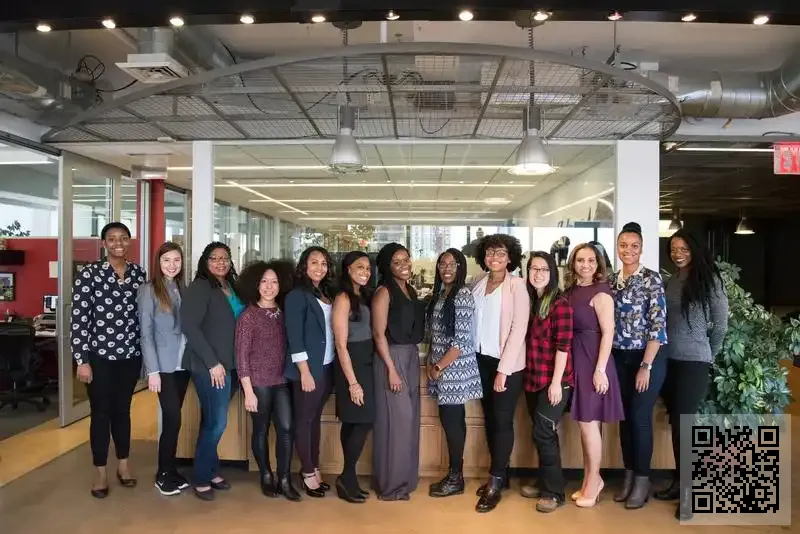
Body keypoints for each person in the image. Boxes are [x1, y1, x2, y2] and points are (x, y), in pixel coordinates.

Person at [654, 229, 728, 521]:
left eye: (684, 249)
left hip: (694, 362)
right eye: (674, 249)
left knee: (684, 426)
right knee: (677, 424)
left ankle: (689, 494)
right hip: (668, 360)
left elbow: (720, 325)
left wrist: (708, 354)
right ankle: (678, 482)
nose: (678, 254)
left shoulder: (710, 279)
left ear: (695, 249)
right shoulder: (673, 279)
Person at [71, 222, 146, 499]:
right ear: (103, 243)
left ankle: (123, 464)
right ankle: (100, 471)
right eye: (112, 239)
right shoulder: (89, 274)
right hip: (99, 357)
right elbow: (79, 319)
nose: (118, 243)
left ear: (129, 242)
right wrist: (82, 360)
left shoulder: (139, 273)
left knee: (123, 411)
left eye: (123, 238)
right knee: (101, 413)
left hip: (130, 356)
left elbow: (143, 316)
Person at [608, 222, 668, 509]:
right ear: (617, 247)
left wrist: (646, 365)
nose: (628, 250)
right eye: (623, 245)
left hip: (648, 358)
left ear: (641, 248)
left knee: (640, 417)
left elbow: (658, 325)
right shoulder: (612, 281)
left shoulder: (651, 279)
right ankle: (629, 476)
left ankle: (643, 482)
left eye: (634, 245)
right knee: (625, 418)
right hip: (619, 357)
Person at [471, 234, 530, 513]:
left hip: (507, 365)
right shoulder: (478, 283)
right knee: (490, 419)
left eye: (501, 253)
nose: (494, 257)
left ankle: (495, 483)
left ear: (510, 258)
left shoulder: (517, 285)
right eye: (490, 252)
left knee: (503, 421)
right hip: (481, 360)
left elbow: (519, 329)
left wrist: (503, 370)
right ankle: (500, 474)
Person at [181, 242, 245, 501]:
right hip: (211, 366)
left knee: (212, 421)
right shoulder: (200, 287)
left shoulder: (231, 286)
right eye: (214, 258)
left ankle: (210, 468)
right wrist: (212, 363)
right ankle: (201, 477)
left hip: (233, 364)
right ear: (205, 262)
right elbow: (190, 327)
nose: (221, 262)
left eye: (225, 258)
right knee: (217, 422)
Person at [235, 261, 301, 501]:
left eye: (274, 282)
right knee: (261, 429)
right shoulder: (248, 316)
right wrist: (248, 392)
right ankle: (265, 474)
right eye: (264, 281)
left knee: (286, 428)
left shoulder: (284, 312)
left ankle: (284, 479)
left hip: (282, 380)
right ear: (255, 284)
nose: (269, 286)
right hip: (258, 383)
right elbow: (241, 356)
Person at [565, 243, 624, 508]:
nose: (585, 265)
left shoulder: (601, 292)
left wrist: (600, 370)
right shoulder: (571, 291)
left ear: (598, 263)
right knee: (584, 424)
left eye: (591, 260)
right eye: (580, 260)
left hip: (593, 361)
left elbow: (608, 332)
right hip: (576, 359)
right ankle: (589, 479)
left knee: (589, 424)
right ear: (573, 263)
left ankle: (594, 481)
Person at [519, 251, 574, 513]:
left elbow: (563, 347)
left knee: (543, 432)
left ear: (552, 273)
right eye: (534, 268)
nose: (538, 273)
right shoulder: (530, 301)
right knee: (542, 433)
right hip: (533, 377)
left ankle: (554, 493)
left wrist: (555, 383)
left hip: (555, 381)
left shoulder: (559, 304)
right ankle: (545, 482)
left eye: (543, 269)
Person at [371, 242, 425, 501]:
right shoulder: (384, 292)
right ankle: (391, 486)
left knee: (410, 422)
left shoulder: (410, 290)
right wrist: (391, 370)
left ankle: (405, 481)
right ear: (387, 266)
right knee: (396, 423)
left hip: (410, 356)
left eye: (406, 259)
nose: (404, 265)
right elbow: (378, 334)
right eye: (397, 261)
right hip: (391, 358)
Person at [426, 248, 481, 498]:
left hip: (454, 370)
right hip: (442, 367)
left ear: (461, 268)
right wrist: (433, 362)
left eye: (452, 264)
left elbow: (460, 341)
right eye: (442, 264)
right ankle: (453, 475)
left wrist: (438, 367)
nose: (446, 268)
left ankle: (456, 477)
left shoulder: (463, 295)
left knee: (453, 423)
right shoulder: (442, 294)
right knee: (450, 421)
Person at [138, 241, 190, 496]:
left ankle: (171, 469)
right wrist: (153, 371)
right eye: (167, 260)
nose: (172, 265)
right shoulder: (149, 290)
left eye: (176, 260)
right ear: (158, 263)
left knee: (174, 420)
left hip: (183, 365)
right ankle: (162, 474)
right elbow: (145, 333)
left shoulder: (182, 288)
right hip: (164, 367)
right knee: (172, 419)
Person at [284, 246, 336, 498]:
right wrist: (304, 372)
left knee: (314, 419)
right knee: (304, 420)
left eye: (324, 263)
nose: (319, 268)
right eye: (314, 262)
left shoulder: (325, 293)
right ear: (304, 266)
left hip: (326, 366)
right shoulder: (297, 295)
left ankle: (314, 466)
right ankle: (306, 472)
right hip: (308, 369)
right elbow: (294, 337)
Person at [331, 251, 376, 503]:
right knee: (362, 420)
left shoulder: (363, 295)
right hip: (351, 364)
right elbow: (340, 344)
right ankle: (347, 476)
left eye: (368, 268)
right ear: (347, 269)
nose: (365, 272)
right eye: (360, 267)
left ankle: (348, 478)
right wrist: (353, 382)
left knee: (353, 422)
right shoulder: (343, 298)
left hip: (366, 362)